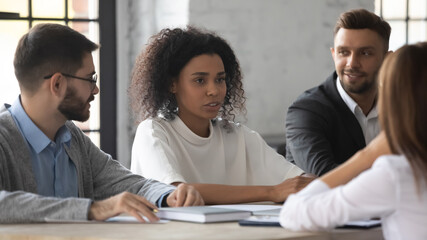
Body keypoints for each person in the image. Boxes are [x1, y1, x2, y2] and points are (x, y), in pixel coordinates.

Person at [0, 23, 203, 224]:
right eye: (90, 79)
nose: (95, 90)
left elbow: (130, 185)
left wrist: (170, 195)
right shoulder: (4, 138)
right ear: (58, 84)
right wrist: (94, 209)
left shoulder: (73, 138)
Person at [129, 26, 314, 205]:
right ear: (172, 85)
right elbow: (178, 193)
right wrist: (272, 192)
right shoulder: (153, 132)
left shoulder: (238, 136)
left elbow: (298, 182)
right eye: (200, 80)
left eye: (220, 79)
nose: (214, 90)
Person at [280, 42, 427, 240]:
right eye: (343, 52)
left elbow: (293, 213)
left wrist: (368, 155)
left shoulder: (399, 173)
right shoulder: (307, 109)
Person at [285, 9, 392, 176]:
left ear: (387, 59)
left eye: (365, 53)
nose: (352, 63)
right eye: (344, 52)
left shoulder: (401, 106)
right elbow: (325, 176)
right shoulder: (306, 110)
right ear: (334, 55)